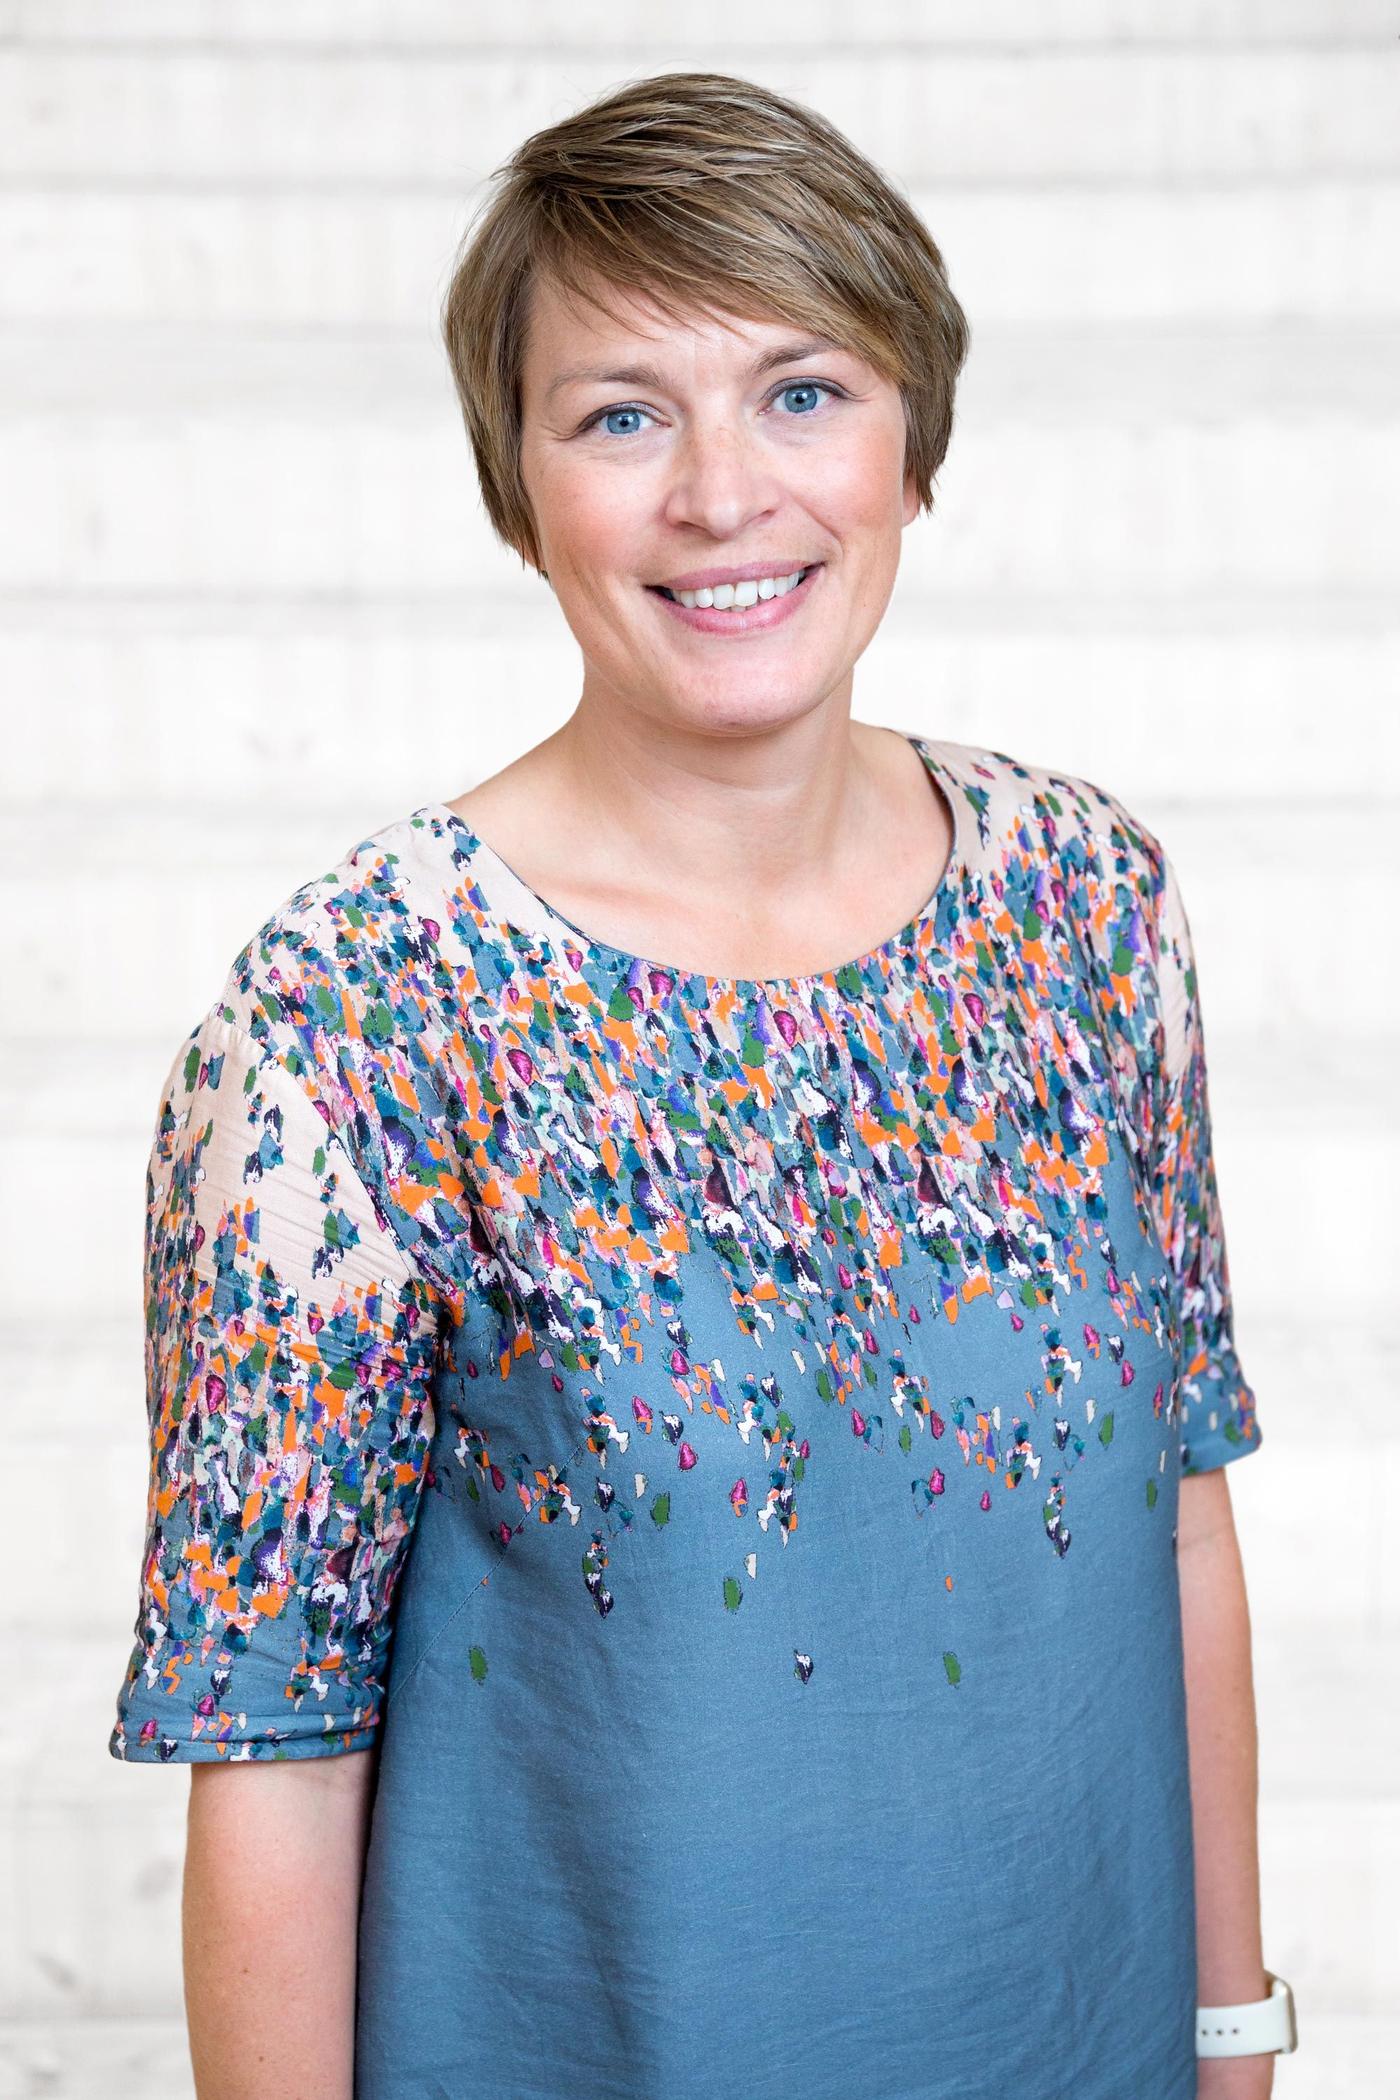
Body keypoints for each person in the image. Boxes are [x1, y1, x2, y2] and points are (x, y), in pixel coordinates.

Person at [106, 69, 1289, 2100]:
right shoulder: (354, 1019)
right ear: (519, 484)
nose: (722, 493)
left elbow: (1172, 1521)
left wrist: (1231, 2036)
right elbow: (273, 1744)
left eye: (801, 390)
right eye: (620, 412)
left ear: (913, 437)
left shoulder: (1088, 907)